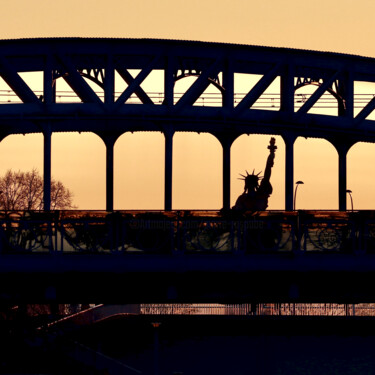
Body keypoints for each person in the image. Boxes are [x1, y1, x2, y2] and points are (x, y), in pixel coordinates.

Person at [233, 137, 276, 212]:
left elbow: (267, 173)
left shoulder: (243, 198)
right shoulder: (257, 196)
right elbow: (267, 173)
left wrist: (271, 154)